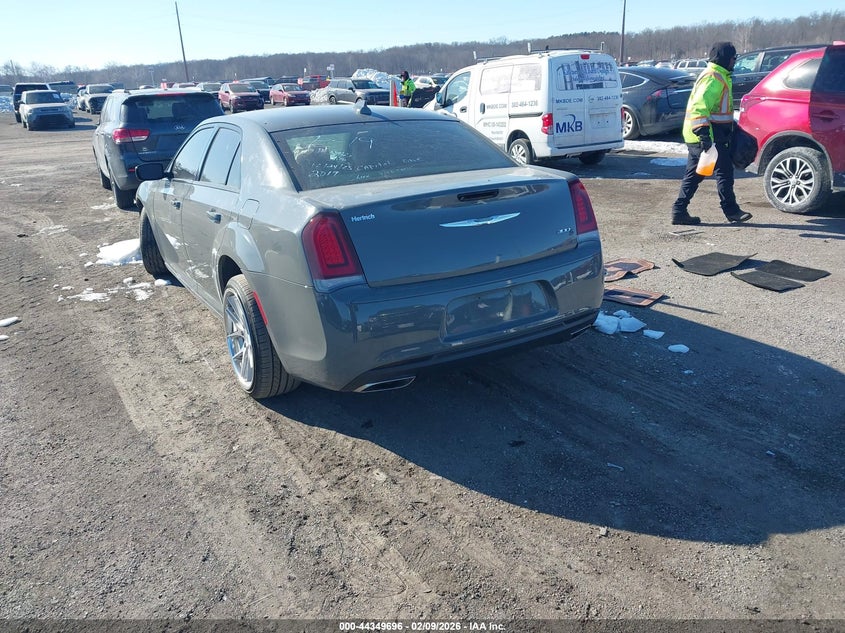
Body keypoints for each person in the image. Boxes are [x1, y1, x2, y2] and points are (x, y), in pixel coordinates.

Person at [671, 41, 752, 225]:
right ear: (726, 59)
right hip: (705, 136)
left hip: (701, 135)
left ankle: (679, 211)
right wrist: (704, 135)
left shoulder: (719, 75)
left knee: (695, 175)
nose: (735, 62)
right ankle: (732, 211)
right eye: (733, 58)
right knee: (724, 172)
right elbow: (700, 107)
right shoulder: (715, 77)